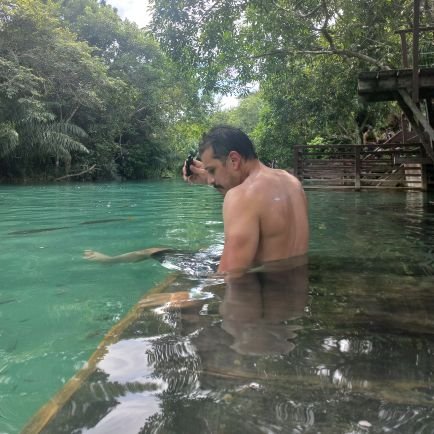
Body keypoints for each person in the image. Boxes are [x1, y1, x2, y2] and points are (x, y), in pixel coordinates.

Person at [84, 126, 309, 273]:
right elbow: (254, 204)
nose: (210, 180)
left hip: (264, 297)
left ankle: (110, 261)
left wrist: (192, 303)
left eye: (212, 170)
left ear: (233, 160)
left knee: (153, 251)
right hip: (291, 286)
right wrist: (208, 177)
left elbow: (228, 279)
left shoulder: (241, 196)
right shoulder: (290, 182)